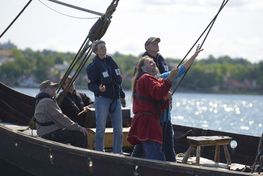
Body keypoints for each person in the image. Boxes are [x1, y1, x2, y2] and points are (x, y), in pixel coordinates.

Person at [127, 56, 179, 161]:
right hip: (147, 123)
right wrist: (169, 79)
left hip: (146, 122)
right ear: (143, 68)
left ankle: (129, 170)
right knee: (156, 156)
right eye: (150, 62)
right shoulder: (145, 78)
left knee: (140, 152)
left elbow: (157, 101)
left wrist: (165, 98)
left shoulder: (149, 80)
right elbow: (158, 93)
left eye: (153, 61)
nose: (154, 63)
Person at [86, 40, 126, 154]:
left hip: (115, 99)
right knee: (100, 129)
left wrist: (122, 96)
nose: (104, 49)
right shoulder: (92, 67)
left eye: (104, 47)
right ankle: (99, 152)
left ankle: (118, 152)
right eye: (101, 47)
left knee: (118, 129)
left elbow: (117, 82)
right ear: (96, 51)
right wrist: (98, 88)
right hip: (102, 99)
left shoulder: (111, 62)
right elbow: (90, 85)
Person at [34, 80, 87, 148]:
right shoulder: (47, 101)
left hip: (45, 131)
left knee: (72, 132)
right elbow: (60, 117)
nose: (55, 89)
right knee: (80, 135)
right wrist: (78, 128)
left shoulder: (42, 100)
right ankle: (79, 157)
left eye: (55, 87)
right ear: (46, 89)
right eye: (52, 87)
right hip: (48, 133)